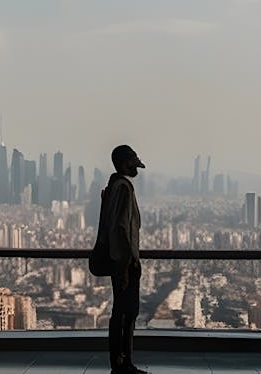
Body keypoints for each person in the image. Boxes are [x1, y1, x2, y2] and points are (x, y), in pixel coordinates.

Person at [101, 144, 146, 374]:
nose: (136, 166)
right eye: (132, 162)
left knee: (122, 312)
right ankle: (122, 362)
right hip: (125, 262)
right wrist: (127, 264)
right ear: (124, 163)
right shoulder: (124, 188)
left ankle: (119, 362)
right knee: (126, 313)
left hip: (121, 260)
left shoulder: (114, 186)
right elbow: (120, 228)